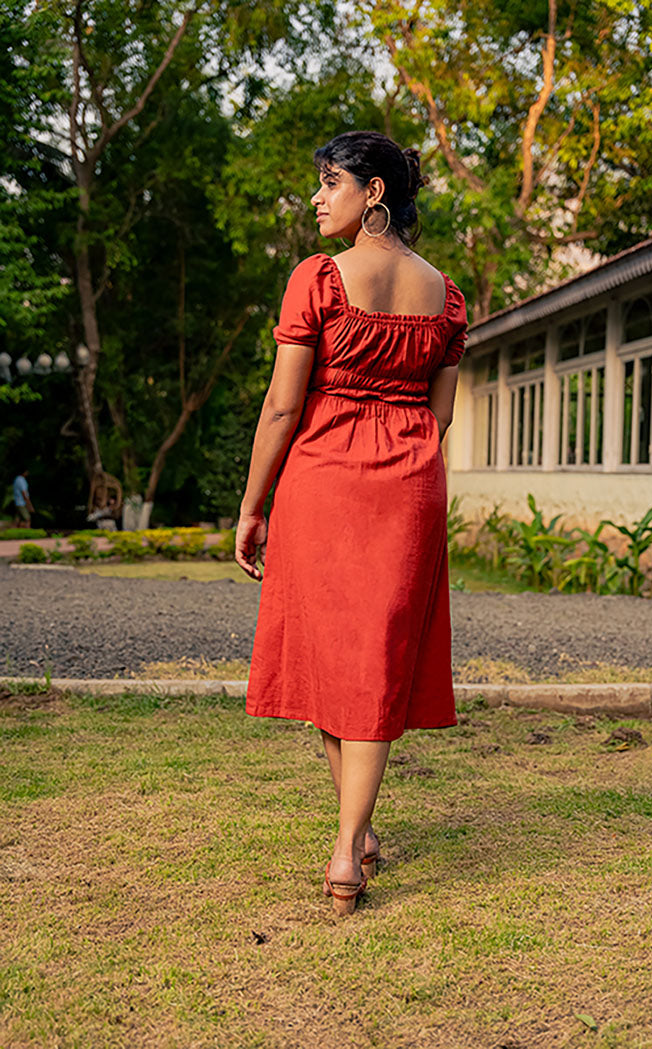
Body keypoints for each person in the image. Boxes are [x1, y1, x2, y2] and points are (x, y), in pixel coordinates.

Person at [235, 131, 468, 915]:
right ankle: (358, 835)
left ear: (374, 192)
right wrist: (400, 462)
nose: (316, 198)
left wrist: (251, 505)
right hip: (410, 482)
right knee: (367, 656)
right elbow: (439, 418)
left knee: (344, 659)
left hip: (324, 476)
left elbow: (280, 406)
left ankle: (344, 857)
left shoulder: (320, 280)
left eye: (329, 182)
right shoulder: (446, 294)